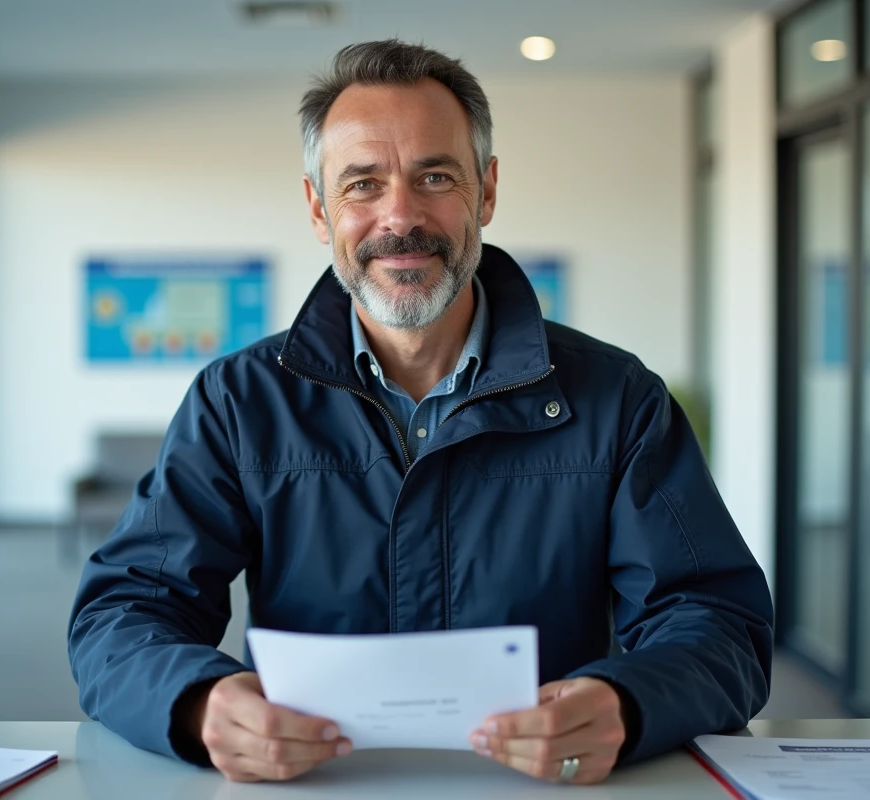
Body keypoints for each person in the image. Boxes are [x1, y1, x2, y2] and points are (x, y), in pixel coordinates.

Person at [67, 39, 773, 786]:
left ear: (487, 191)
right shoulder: (239, 402)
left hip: (544, 787)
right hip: (311, 787)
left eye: (434, 176)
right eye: (363, 184)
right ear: (317, 207)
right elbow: (125, 612)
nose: (400, 216)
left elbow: (719, 623)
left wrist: (629, 703)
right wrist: (198, 703)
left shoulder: (618, 399)